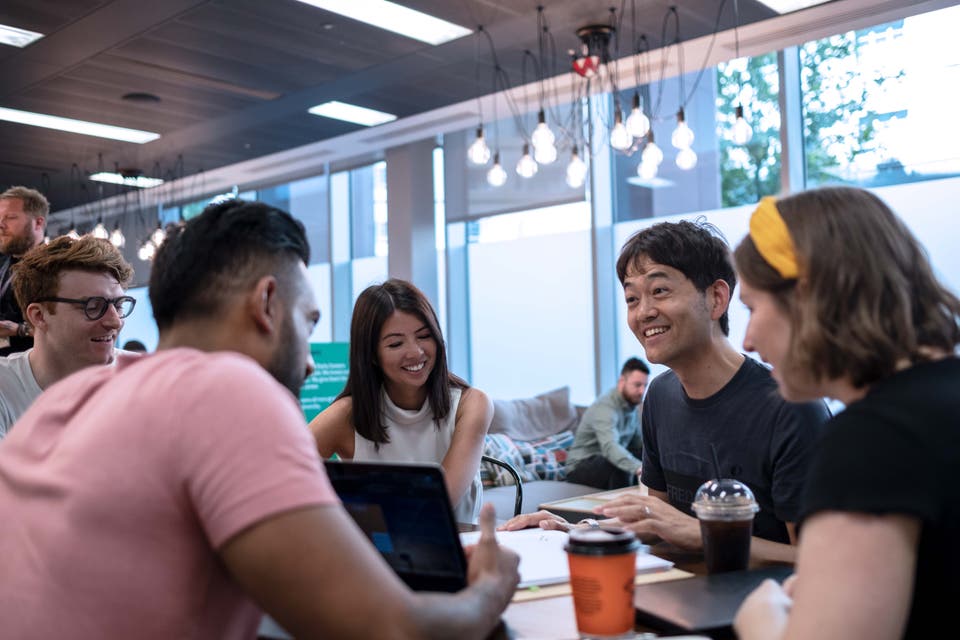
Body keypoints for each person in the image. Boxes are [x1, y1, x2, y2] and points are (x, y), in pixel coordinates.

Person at [0, 200, 518, 639]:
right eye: (308, 321)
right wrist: (491, 589)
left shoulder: (82, 392)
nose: (312, 358)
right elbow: (391, 628)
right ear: (267, 303)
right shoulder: (229, 389)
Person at [503, 220, 830, 565]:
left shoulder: (791, 407)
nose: (643, 312)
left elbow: (818, 561)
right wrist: (574, 530)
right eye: (632, 298)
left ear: (716, 298)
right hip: (677, 595)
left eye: (660, 291)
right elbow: (657, 522)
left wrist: (704, 535)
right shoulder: (659, 397)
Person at [732, 188, 960, 639]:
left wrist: (762, 620)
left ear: (809, 297)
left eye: (753, 308)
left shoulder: (871, 440)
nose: (748, 340)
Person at [310, 278, 492, 524]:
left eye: (424, 336)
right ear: (371, 355)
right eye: (396, 343)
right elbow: (280, 474)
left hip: (461, 553)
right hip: (373, 556)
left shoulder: (472, 404)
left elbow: (438, 506)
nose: (416, 352)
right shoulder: (346, 415)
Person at [0, 235, 135, 437]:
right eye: (93, 306)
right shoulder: (6, 387)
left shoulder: (142, 377)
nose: (115, 322)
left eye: (118, 305)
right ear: (39, 316)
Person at [564, 357, 650, 489]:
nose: (642, 391)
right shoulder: (605, 406)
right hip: (580, 467)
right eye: (637, 385)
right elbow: (610, 447)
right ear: (622, 381)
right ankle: (623, 505)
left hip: (606, 459)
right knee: (615, 461)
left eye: (645, 386)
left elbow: (638, 445)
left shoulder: (631, 407)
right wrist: (639, 467)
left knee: (645, 456)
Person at [0, 186, 48, 356]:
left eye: (10, 217)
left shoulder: (54, 267)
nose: (1, 225)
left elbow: (67, 330)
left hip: (37, 372)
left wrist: (19, 330)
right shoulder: (4, 265)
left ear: (38, 222)